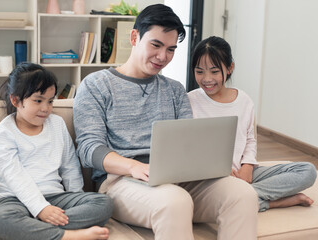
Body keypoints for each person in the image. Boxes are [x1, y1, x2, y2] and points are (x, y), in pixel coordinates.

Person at [73, 4, 258, 240]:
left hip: (176, 179)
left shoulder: (175, 90)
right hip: (121, 182)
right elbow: (89, 149)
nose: (163, 57)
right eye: (156, 45)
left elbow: (188, 142)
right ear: (134, 37)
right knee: (175, 200)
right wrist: (133, 166)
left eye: (171, 49)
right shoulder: (96, 85)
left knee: (242, 193)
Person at [188, 36, 317, 212]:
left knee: (308, 171)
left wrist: (247, 166)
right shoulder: (190, 101)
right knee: (205, 197)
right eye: (199, 71)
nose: (207, 78)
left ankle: (243, 198)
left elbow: (249, 139)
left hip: (244, 173)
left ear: (230, 68)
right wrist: (222, 171)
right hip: (212, 179)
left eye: (214, 71)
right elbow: (191, 147)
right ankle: (271, 202)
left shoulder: (244, 100)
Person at [0, 63, 113, 240]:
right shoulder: (5, 131)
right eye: (38, 100)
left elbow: (69, 165)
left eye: (50, 101)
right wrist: (40, 209)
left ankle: (32, 230)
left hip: (55, 196)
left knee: (104, 203)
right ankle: (68, 236)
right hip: (14, 199)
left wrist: (76, 196)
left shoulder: (57, 124)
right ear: (16, 100)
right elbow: (15, 176)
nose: (46, 108)